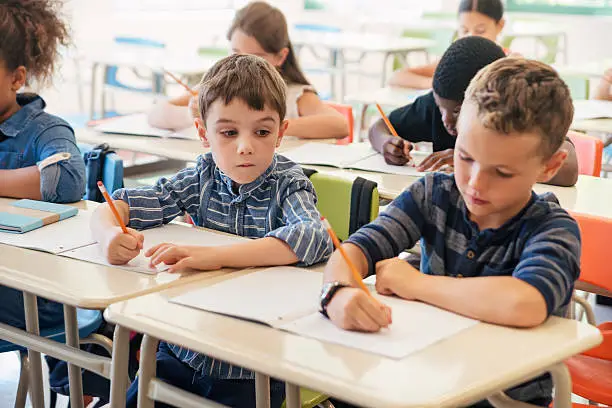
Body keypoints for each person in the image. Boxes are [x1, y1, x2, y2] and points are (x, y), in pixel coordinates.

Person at [321, 58, 580, 407]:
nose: (474, 184)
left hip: (503, 399)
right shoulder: (433, 193)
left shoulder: (553, 228)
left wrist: (414, 283)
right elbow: (355, 250)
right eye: (465, 157)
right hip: (427, 380)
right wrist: (336, 295)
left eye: (502, 173)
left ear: (549, 166)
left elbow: (525, 302)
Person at [90, 54, 333, 407]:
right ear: (204, 134)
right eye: (229, 132)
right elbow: (116, 207)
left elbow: (312, 236)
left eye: (262, 131)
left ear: (281, 133)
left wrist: (215, 257)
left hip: (253, 368)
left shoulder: (287, 185)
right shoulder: (203, 176)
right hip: (183, 351)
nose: (245, 145)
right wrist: (110, 236)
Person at [369, 36, 578, 187]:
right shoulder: (442, 104)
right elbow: (379, 127)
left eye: (458, 111)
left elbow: (569, 169)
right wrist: (386, 143)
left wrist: (474, 159)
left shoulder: (517, 112)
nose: (446, 120)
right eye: (440, 108)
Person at [148, 1, 349, 140]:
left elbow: (340, 125)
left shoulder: (293, 94)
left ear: (280, 56)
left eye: (255, 58)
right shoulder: (218, 86)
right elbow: (155, 114)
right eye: (235, 53)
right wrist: (190, 116)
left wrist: (270, 128)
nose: (242, 64)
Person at [389, 0, 506, 89]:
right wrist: (435, 84)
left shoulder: (508, 61)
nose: (471, 37)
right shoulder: (455, 60)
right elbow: (397, 77)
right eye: (464, 30)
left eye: (480, 31)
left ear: (500, 26)